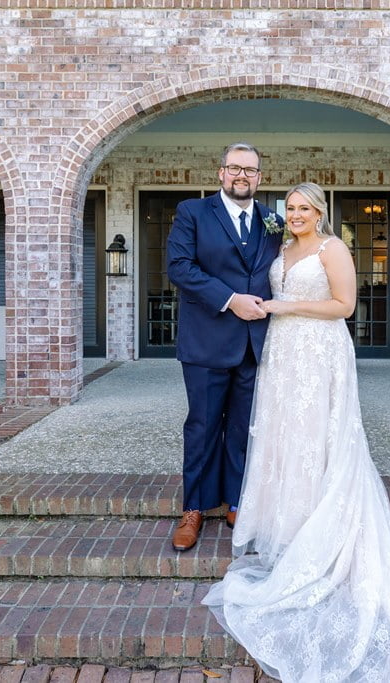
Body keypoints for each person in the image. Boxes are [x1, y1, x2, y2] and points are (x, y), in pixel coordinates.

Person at [203, 183, 390, 682]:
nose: (295, 215)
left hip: (320, 351)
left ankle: (326, 527)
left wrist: (282, 307)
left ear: (320, 212)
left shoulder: (331, 248)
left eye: (304, 209)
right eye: (290, 208)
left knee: (321, 435)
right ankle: (291, 522)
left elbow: (344, 306)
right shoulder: (282, 248)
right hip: (285, 352)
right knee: (286, 436)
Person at [165, 142, 284, 552]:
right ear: (220, 173)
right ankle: (194, 508)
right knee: (202, 425)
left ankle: (237, 500)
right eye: (234, 168)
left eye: (250, 170)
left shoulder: (273, 220)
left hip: (255, 343)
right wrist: (231, 299)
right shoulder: (192, 213)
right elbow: (180, 267)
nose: (241, 176)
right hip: (206, 340)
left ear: (260, 178)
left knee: (243, 427)